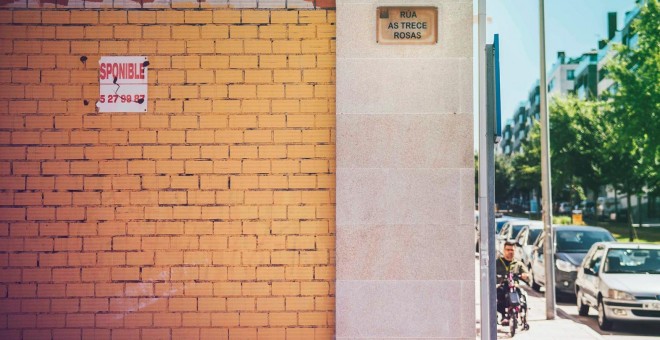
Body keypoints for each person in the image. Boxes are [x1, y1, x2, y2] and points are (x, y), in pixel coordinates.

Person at [496, 241, 530, 325]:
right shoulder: (498, 262)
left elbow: (527, 275)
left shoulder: (518, 263)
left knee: (520, 294)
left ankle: (520, 313)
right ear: (504, 250)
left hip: (514, 286)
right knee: (499, 295)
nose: (510, 252)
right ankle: (504, 315)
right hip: (503, 285)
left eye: (512, 250)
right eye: (508, 250)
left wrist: (524, 275)